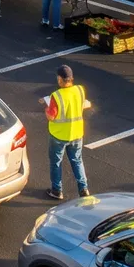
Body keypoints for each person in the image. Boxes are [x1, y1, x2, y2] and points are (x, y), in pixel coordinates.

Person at [44, 64, 90, 200]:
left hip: (58, 135)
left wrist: (46, 109)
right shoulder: (80, 90)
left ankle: (57, 190)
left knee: (56, 162)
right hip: (76, 133)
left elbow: (51, 116)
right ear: (71, 78)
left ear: (59, 79)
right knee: (77, 160)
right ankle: (83, 188)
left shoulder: (56, 96)